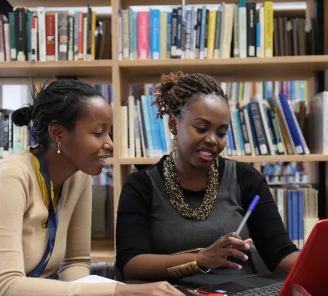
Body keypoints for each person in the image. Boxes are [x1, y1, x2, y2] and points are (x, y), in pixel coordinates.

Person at [0, 79, 199, 296]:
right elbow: (4, 293)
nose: (110, 144)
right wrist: (119, 293)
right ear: (58, 133)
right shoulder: (10, 178)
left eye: (109, 132)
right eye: (98, 133)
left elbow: (76, 263)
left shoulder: (78, 176)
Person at [116, 72, 300, 281]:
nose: (213, 140)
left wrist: (320, 263)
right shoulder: (141, 185)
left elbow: (280, 254)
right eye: (201, 128)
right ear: (174, 124)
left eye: (221, 133)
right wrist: (200, 259)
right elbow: (131, 264)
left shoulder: (246, 179)